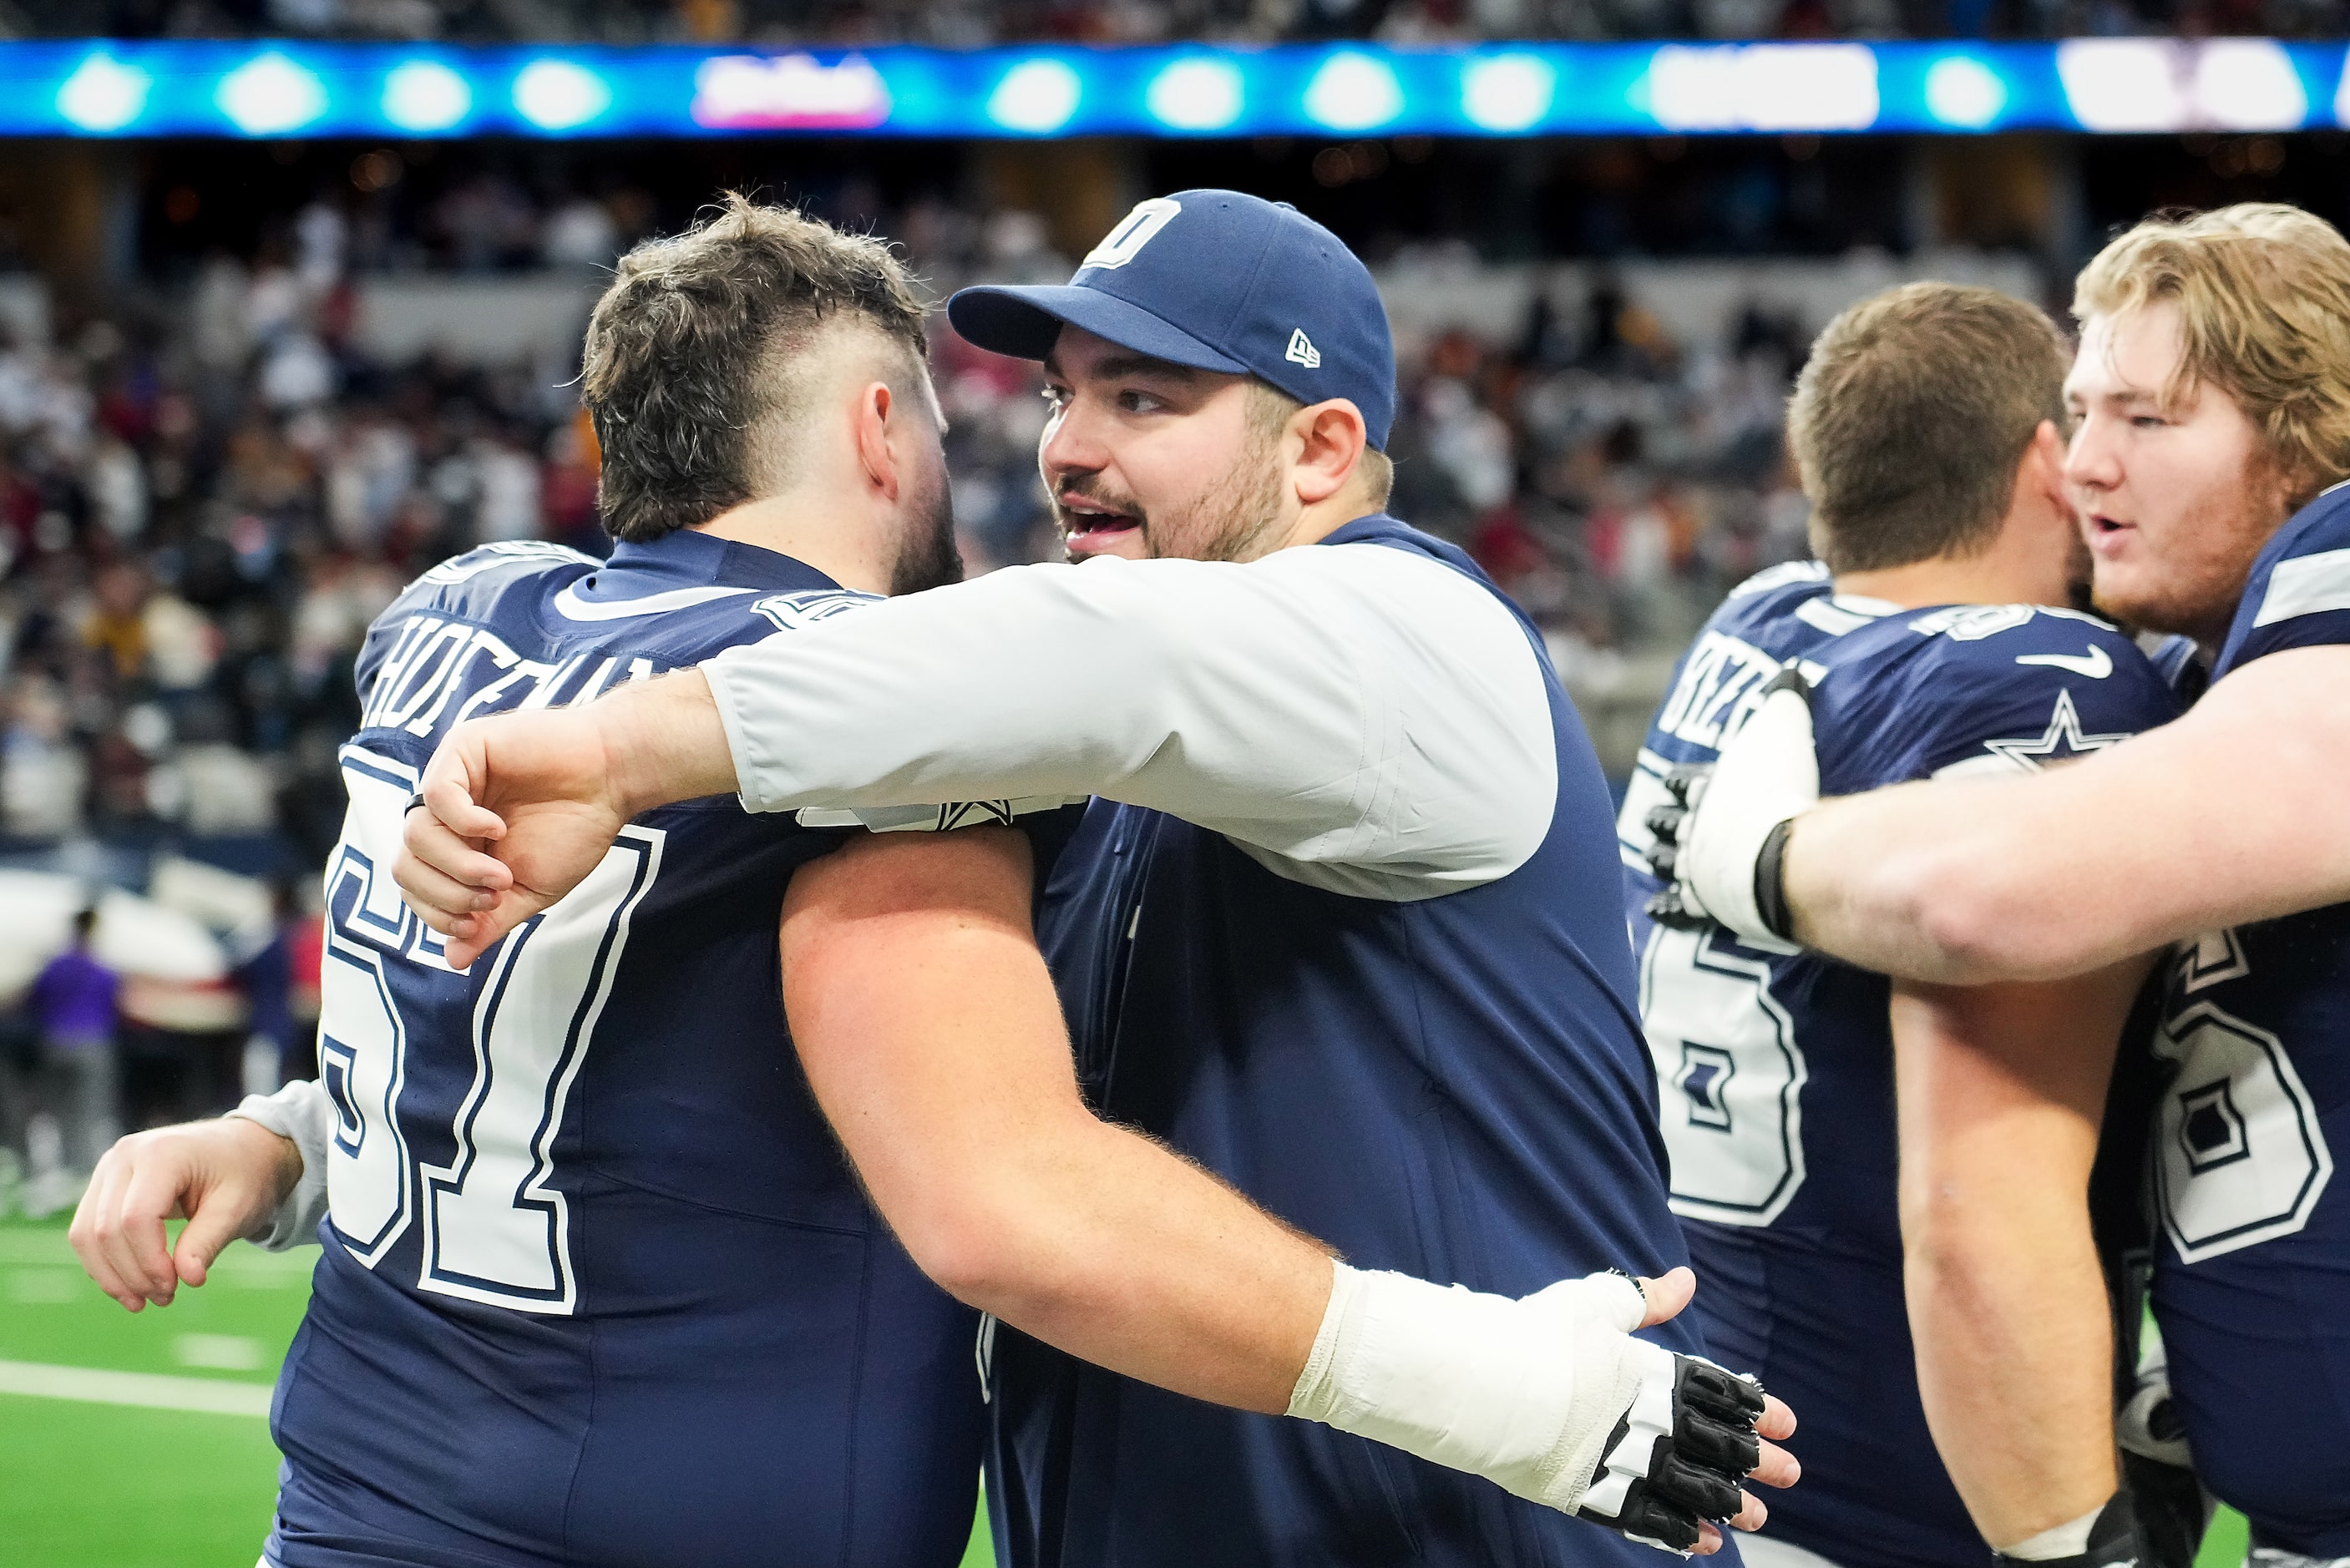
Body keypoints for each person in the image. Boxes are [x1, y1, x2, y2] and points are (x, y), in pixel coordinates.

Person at [73, 195, 1787, 1568]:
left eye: (1146, 398)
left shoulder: (1403, 638)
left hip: (1467, 1507)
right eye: (1058, 395)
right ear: (887, 434)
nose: (1061, 447)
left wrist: (618, 749)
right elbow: (644, 1014)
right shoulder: (1002, 724)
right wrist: (308, 1133)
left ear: (1326, 451)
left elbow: (1094, 672)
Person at [1653, 203, 2350, 1565]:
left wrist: (1762, 849)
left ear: (2308, 440)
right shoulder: (2192, 675)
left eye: (2146, 420)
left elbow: (1991, 900)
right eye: (2079, 411)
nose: (2079, 465)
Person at [1620, 282, 2186, 1568]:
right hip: (1889, 1474)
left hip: (1698, 1422)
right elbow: (1979, 1204)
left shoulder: (1756, 617)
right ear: (2045, 458)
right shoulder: (2045, 674)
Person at [26, 905, 122, 1212]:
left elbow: (36, 1000)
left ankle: (53, 1179)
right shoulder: (103, 970)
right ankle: (87, 1182)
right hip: (91, 1044)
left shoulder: (55, 966)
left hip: (56, 1044)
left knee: (57, 1112)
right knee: (91, 1113)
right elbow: (116, 1007)